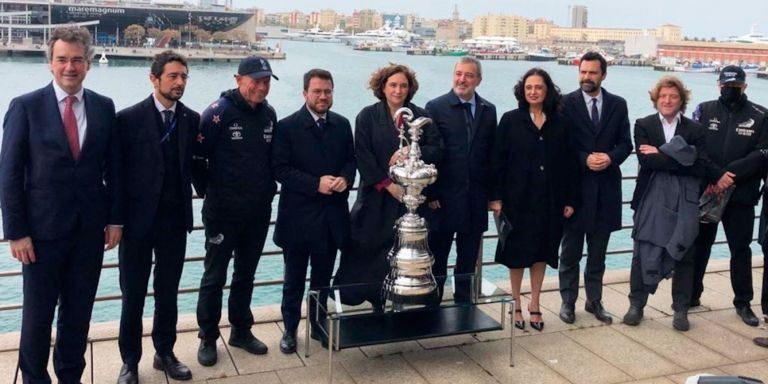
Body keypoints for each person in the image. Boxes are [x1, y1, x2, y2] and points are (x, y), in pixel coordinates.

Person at [0, 25, 123, 383]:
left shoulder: (103, 107)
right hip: (40, 236)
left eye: (77, 60)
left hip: (89, 233)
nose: (70, 66)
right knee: (37, 317)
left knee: (78, 314)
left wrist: (115, 219)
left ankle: (70, 376)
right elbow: (9, 174)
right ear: (50, 64)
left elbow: (112, 168)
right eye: (62, 60)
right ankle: (35, 379)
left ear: (87, 63)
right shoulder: (25, 107)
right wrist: (17, 232)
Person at [115, 50, 206, 383]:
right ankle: (129, 361)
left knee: (168, 292)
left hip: (174, 222)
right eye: (173, 76)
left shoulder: (192, 119)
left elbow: (199, 168)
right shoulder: (127, 119)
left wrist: (216, 198)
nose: (180, 82)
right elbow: (116, 175)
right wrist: (115, 220)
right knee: (133, 296)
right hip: (136, 225)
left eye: (184, 76)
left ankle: (164, 353)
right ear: (154, 79)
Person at [333, 63, 443, 309]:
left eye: (403, 85)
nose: (398, 90)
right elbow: (362, 155)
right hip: (376, 197)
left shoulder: (420, 116)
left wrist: (412, 149)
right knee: (366, 249)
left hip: (410, 199)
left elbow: (437, 149)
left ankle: (400, 300)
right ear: (383, 87)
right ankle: (372, 302)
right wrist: (387, 184)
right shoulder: (367, 116)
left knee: (402, 252)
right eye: (393, 85)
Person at [194, 56, 278, 366]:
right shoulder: (217, 113)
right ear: (238, 79)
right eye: (255, 80)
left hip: (257, 212)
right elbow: (197, 160)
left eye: (266, 80)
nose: (261, 86)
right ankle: (207, 337)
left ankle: (241, 330)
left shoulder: (269, 114)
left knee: (246, 274)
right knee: (214, 276)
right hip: (222, 213)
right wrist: (211, 194)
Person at [272, 69, 355, 353]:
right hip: (298, 217)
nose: (323, 96)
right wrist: (314, 184)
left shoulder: (343, 125)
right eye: (317, 91)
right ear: (305, 93)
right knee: (293, 280)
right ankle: (290, 330)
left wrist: (346, 178)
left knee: (322, 279)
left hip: (332, 218)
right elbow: (280, 169)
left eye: (327, 91)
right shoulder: (287, 126)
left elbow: (350, 161)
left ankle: (318, 325)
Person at [489, 68, 577, 331]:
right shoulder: (510, 120)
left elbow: (570, 164)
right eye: (529, 87)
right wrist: (495, 198)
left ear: (547, 90)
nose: (533, 91)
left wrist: (570, 199)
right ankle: (516, 303)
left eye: (538, 87)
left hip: (550, 200)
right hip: (516, 200)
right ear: (522, 90)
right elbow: (497, 162)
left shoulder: (561, 123)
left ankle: (535, 303)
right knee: (516, 254)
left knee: (542, 252)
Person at [622, 76, 713, 331]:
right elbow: (647, 162)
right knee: (642, 252)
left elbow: (701, 166)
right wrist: (683, 156)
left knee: (684, 253)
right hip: (651, 198)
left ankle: (681, 309)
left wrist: (662, 152)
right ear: (656, 99)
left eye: (673, 96)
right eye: (663, 96)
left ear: (681, 100)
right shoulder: (644, 125)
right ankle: (636, 304)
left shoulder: (696, 129)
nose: (668, 100)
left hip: (685, 202)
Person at [690, 65, 768, 326]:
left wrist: (730, 176)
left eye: (735, 86)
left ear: (745, 86)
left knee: (740, 250)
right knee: (700, 247)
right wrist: (715, 176)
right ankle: (691, 296)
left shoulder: (761, 115)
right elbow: (695, 148)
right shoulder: (703, 110)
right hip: (709, 191)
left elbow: (762, 154)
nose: (729, 90)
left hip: (741, 195)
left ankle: (743, 302)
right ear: (718, 85)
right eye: (726, 86)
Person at [559, 51, 632, 325]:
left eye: (592, 72)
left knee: (598, 255)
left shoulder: (618, 104)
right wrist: (584, 158)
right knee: (570, 253)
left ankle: (594, 301)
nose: (586, 77)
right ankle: (568, 302)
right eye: (583, 72)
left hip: (607, 191)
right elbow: (562, 145)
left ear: (603, 74)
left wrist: (611, 157)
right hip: (575, 192)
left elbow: (626, 144)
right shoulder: (565, 104)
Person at [425, 56, 497, 303]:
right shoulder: (435, 107)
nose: (462, 79)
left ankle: (464, 307)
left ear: (478, 80)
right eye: (458, 74)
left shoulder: (489, 110)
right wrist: (430, 194)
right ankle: (432, 306)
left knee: (467, 260)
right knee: (438, 258)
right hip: (442, 199)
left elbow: (491, 155)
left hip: (475, 198)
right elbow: (429, 152)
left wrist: (493, 195)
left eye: (468, 75)